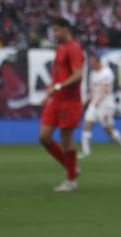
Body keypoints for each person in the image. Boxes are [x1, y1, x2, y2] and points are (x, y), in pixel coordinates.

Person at [39, 18, 84, 192]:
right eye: (53, 31)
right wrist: (49, 92)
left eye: (57, 30)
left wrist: (58, 86)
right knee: (44, 137)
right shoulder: (60, 48)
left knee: (66, 141)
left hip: (70, 101)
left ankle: (71, 181)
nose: (55, 34)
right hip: (56, 100)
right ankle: (72, 169)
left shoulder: (74, 48)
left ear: (66, 30)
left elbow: (78, 75)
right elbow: (57, 75)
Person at [80, 54, 121, 157]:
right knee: (87, 124)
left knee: (107, 129)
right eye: (90, 63)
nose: (91, 65)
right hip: (95, 103)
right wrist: (84, 102)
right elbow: (92, 91)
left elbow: (104, 90)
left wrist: (97, 102)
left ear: (98, 62)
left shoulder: (107, 73)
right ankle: (86, 152)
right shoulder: (93, 73)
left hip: (106, 104)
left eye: (93, 63)